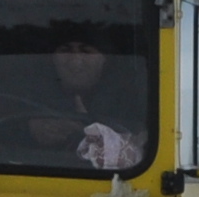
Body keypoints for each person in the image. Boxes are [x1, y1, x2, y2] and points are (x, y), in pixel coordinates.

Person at [17, 31, 148, 173]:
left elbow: (140, 144)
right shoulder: (29, 92)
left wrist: (87, 128)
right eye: (65, 50)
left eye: (86, 51)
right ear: (53, 58)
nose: (75, 61)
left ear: (104, 58)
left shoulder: (131, 98)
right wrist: (30, 129)